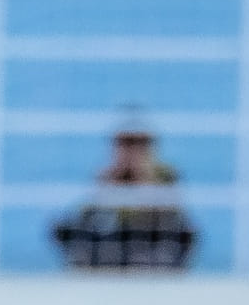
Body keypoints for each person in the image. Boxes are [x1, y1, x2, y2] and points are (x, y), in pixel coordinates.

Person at [53, 116, 196, 271]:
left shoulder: (165, 174)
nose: (130, 150)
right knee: (64, 229)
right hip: (118, 233)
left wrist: (143, 178)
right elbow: (89, 215)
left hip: (149, 235)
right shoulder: (109, 174)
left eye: (137, 144)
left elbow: (170, 216)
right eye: (125, 144)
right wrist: (108, 186)